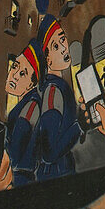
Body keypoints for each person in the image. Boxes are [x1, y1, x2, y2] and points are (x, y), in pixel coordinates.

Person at [36, 14, 82, 180]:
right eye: (55, 46)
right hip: (56, 175)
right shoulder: (53, 92)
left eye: (62, 40)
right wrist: (79, 126)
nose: (63, 48)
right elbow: (48, 153)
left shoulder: (58, 87)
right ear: (47, 59)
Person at [4, 40, 43, 187]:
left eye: (23, 74)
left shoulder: (31, 107)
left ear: (32, 84)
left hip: (19, 181)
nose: (14, 75)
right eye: (14, 67)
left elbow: (14, 153)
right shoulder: (25, 105)